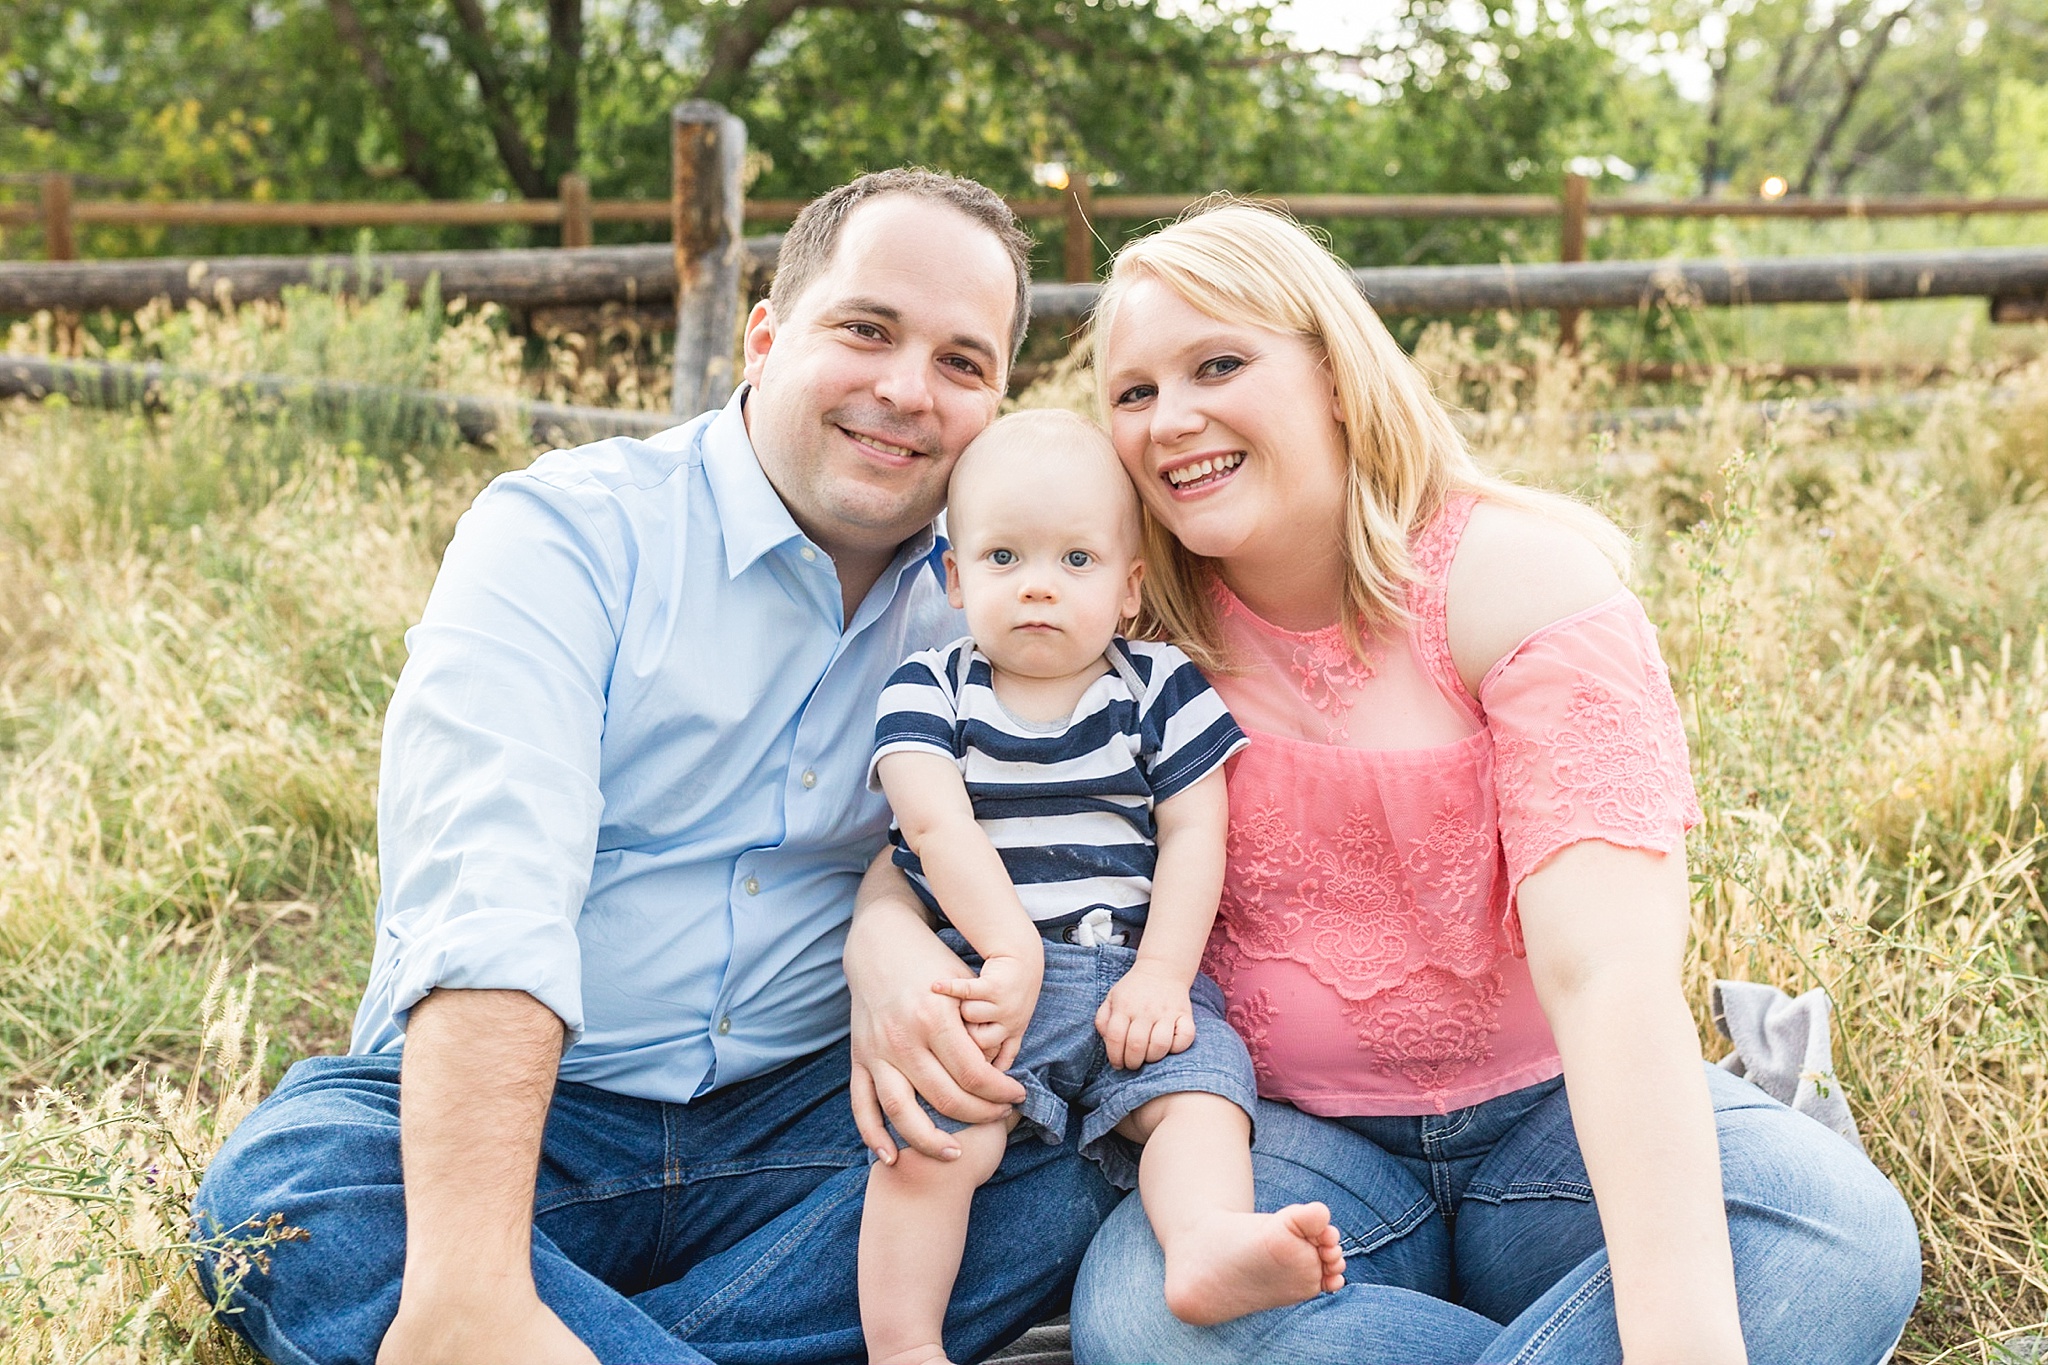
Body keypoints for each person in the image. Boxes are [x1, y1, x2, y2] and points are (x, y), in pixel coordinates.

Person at [848, 201, 1923, 1364]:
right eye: (1134, 392)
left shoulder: (1515, 585)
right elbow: (957, 818)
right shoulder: (1124, 624)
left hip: (1554, 1128)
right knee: (1142, 1319)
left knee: (1830, 1237)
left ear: (1334, 375)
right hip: (1303, 1149)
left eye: (1219, 363)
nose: (1174, 419)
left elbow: (1607, 973)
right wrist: (881, 950)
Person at [189, 169, 1123, 1365]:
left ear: (995, 398)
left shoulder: (996, 598)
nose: (905, 390)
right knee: (292, 1198)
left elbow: (1061, 835)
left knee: (1073, 1154)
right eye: (867, 330)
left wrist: (886, 935)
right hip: (541, 1124)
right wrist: (471, 1275)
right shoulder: (566, 535)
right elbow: (491, 890)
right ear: (766, 334)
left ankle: (541, 1338)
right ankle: (499, 1312)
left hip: (817, 1123)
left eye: (961, 362)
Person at [856, 409, 1345, 1365]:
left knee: (1200, 1101)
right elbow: (931, 822)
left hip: (1132, 980)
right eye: (1003, 557)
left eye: (1076, 561)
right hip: (986, 985)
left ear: (1129, 589)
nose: (1038, 583)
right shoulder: (933, 688)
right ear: (954, 579)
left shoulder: (1157, 683)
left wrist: (1165, 973)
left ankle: (1204, 1242)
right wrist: (1009, 949)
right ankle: (903, 1342)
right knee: (937, 1143)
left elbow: (1198, 827)